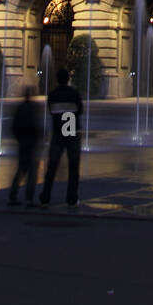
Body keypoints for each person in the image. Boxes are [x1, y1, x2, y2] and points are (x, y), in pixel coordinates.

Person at [39, 68, 84, 207]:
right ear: (68, 79)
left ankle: (45, 196)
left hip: (58, 131)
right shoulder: (74, 93)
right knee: (73, 167)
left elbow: (51, 111)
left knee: (52, 166)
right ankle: (72, 197)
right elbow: (80, 110)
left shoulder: (53, 94)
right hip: (70, 129)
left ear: (57, 79)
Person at [8, 87, 42, 207]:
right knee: (32, 172)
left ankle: (13, 196)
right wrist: (39, 139)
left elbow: (13, 126)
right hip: (31, 142)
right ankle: (29, 198)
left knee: (21, 170)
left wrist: (19, 139)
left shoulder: (20, 107)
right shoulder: (34, 107)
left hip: (22, 142)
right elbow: (36, 125)